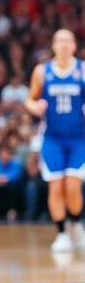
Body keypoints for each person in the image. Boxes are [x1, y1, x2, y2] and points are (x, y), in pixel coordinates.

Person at [24, 28, 85, 251]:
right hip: (52, 140)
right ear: (53, 45)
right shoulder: (42, 71)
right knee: (56, 187)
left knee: (73, 186)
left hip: (78, 139)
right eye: (60, 40)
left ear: (74, 45)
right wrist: (35, 107)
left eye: (68, 40)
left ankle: (77, 223)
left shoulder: (82, 70)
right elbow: (29, 99)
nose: (64, 44)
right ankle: (61, 234)